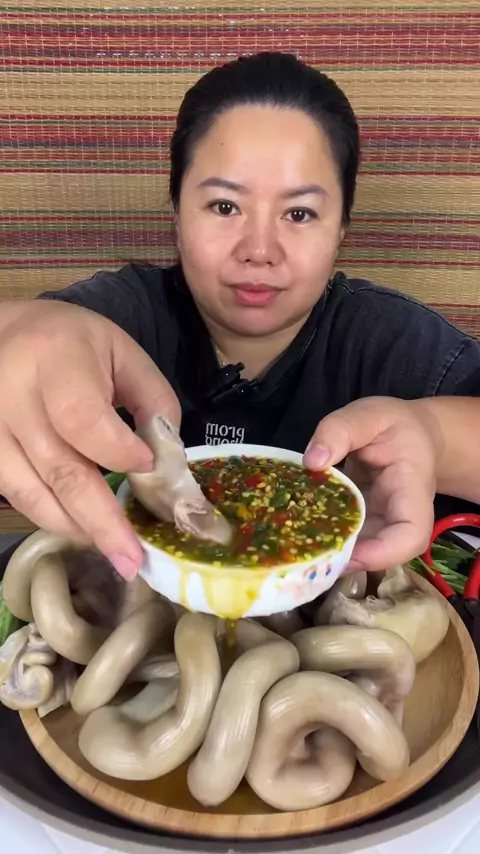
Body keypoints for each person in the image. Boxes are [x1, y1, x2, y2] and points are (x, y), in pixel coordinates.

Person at [1, 51, 479, 582]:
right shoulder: (121, 317)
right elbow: (36, 344)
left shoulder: (390, 341)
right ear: (176, 213)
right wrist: (17, 333)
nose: (258, 250)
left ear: (342, 229)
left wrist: (434, 437)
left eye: (299, 213)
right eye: (225, 207)